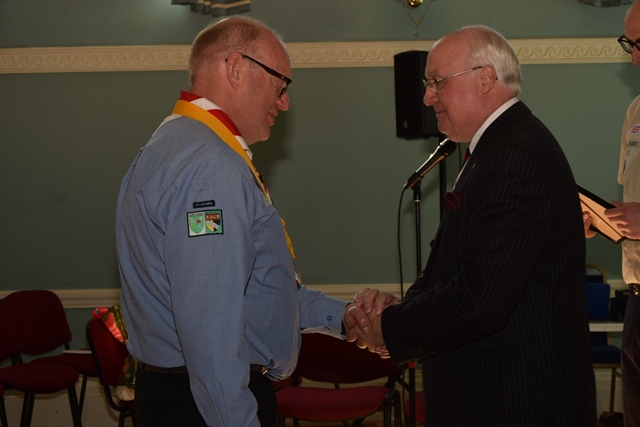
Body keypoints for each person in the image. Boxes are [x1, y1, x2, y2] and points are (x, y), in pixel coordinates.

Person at [115, 17, 395, 427]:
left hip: (186, 396)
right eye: (281, 85)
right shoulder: (210, 167)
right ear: (235, 68)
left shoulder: (176, 145)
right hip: (208, 405)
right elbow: (211, 333)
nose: (284, 103)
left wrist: (343, 315)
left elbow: (246, 291)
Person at [347, 25, 597, 426]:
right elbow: (458, 267)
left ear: (486, 78)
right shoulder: (498, 147)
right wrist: (404, 310)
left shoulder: (514, 154)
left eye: (437, 82)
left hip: (515, 398)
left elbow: (480, 300)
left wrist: (388, 328)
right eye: (428, 84)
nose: (427, 97)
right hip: (498, 391)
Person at [583, 2, 640, 425]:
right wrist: (603, 220)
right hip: (637, 295)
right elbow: (631, 203)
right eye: (629, 44)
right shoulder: (636, 111)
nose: (634, 57)